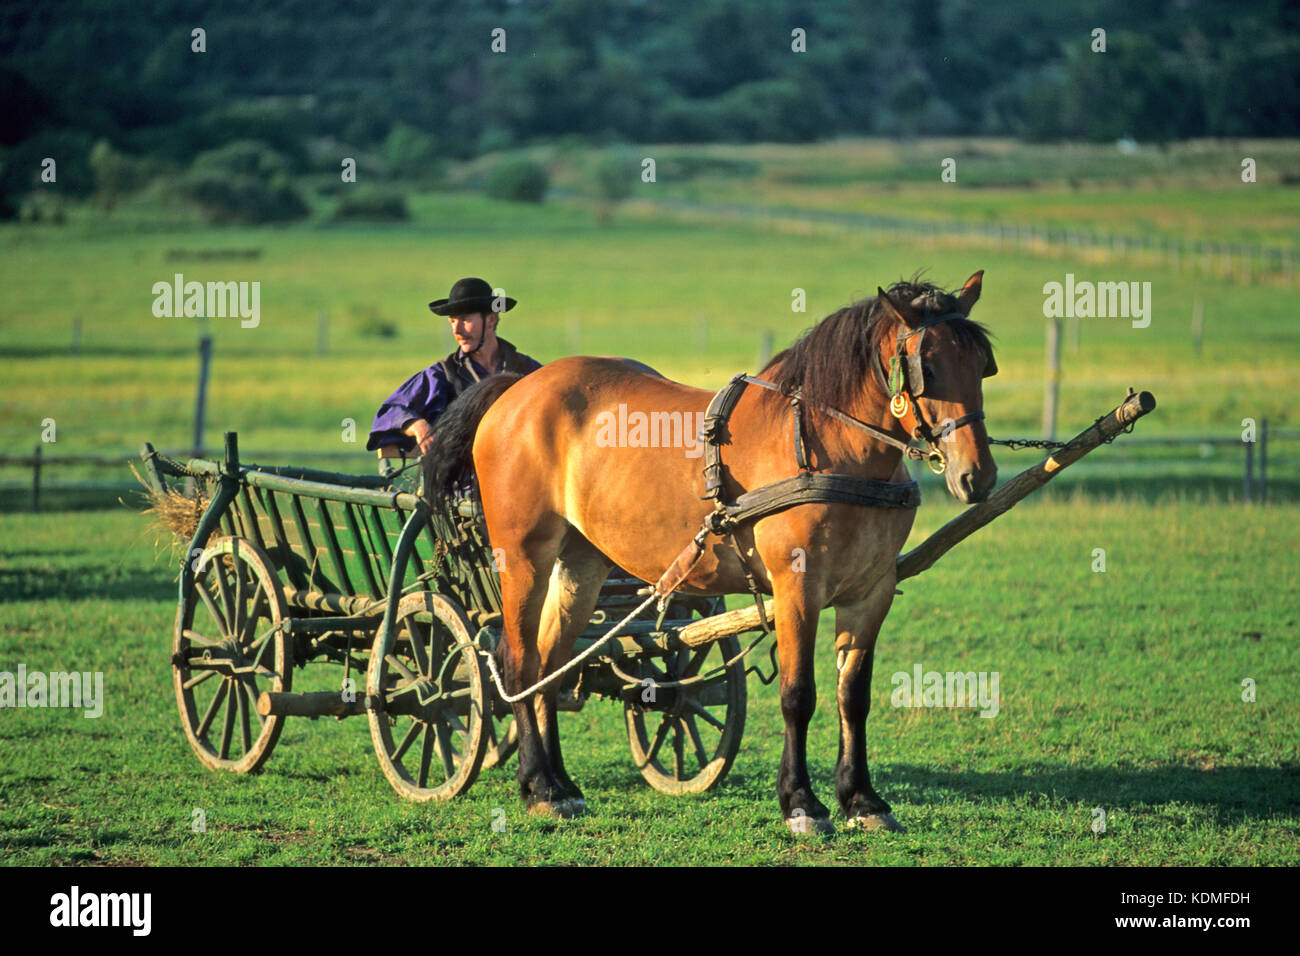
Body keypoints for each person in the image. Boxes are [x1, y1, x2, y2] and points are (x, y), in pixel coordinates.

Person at [366, 277, 542, 485]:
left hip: (525, 484)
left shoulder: (528, 372)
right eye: (452, 321)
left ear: (491, 320)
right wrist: (417, 424)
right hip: (462, 494)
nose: (457, 331)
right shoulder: (442, 376)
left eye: (465, 320)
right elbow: (390, 411)